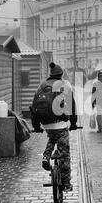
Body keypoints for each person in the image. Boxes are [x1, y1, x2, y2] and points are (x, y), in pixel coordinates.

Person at [30, 62, 77, 192]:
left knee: (52, 137)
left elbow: (34, 108)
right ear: (60, 75)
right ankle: (66, 183)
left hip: (46, 124)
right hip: (60, 124)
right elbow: (72, 106)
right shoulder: (64, 86)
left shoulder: (41, 86)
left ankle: (46, 156)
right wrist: (73, 123)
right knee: (65, 154)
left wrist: (37, 126)